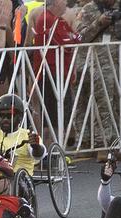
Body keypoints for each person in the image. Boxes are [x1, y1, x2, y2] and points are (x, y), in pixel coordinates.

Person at [74, 0, 121, 151]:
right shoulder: (89, 9)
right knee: (103, 105)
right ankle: (103, 146)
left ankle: (117, 144)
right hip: (100, 64)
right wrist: (98, 23)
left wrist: (120, 23)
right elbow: (80, 37)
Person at [30, 0, 82, 137]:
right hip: (49, 74)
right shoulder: (47, 19)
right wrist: (71, 38)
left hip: (59, 73)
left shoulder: (59, 20)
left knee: (61, 115)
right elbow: (67, 42)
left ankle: (58, 149)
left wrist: (71, 38)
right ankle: (50, 153)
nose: (66, 3)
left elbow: (77, 38)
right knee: (51, 119)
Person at [0, 94, 46, 176]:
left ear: (20, 117)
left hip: (19, 181)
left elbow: (39, 155)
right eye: (2, 115)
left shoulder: (28, 136)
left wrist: (36, 147)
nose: (5, 119)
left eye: (10, 116)